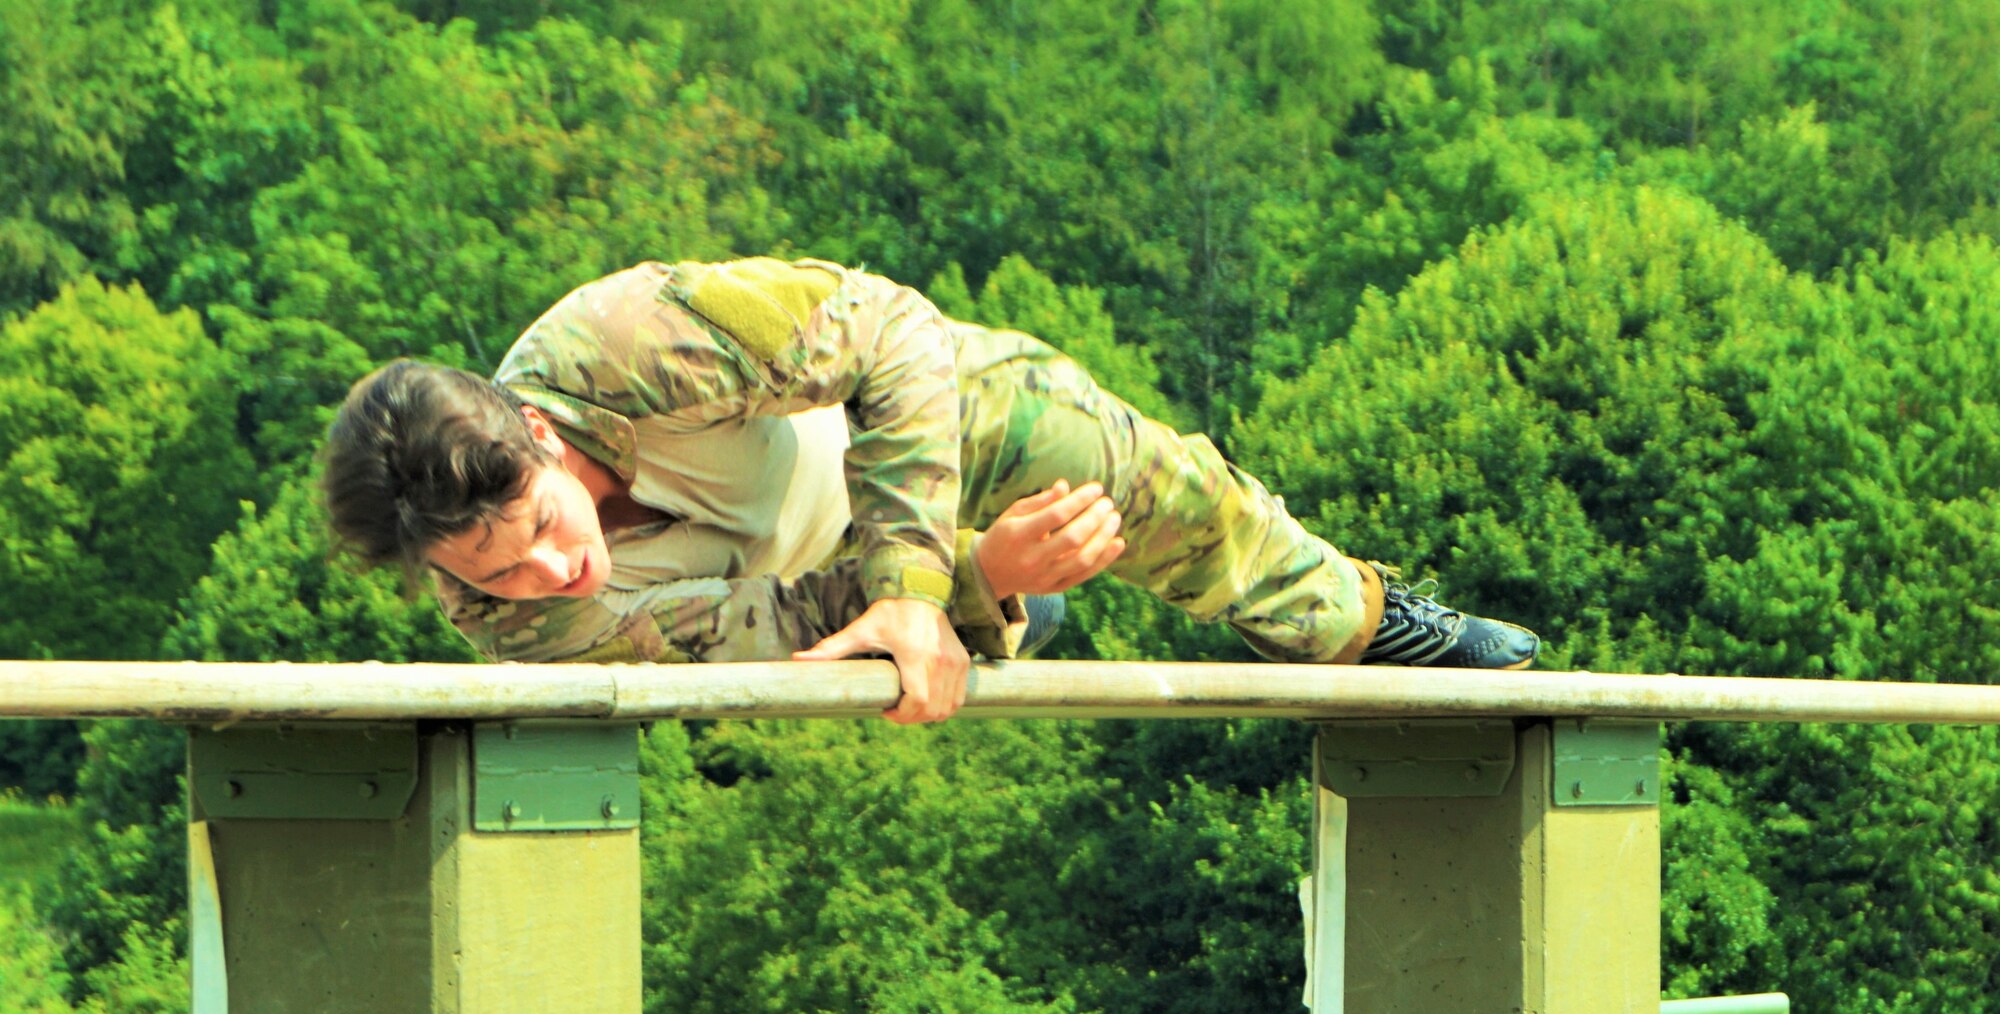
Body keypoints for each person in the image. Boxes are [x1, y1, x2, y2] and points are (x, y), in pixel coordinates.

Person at [320, 256, 1537, 723]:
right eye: (492, 572)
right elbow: (755, 640)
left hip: (905, 434)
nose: (550, 571)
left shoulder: (633, 339)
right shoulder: (516, 625)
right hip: (808, 591)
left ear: (535, 434)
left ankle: (1364, 621)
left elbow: (893, 331)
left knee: (1135, 473)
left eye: (540, 525)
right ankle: (1008, 612)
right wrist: (976, 578)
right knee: (841, 678)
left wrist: (914, 573)